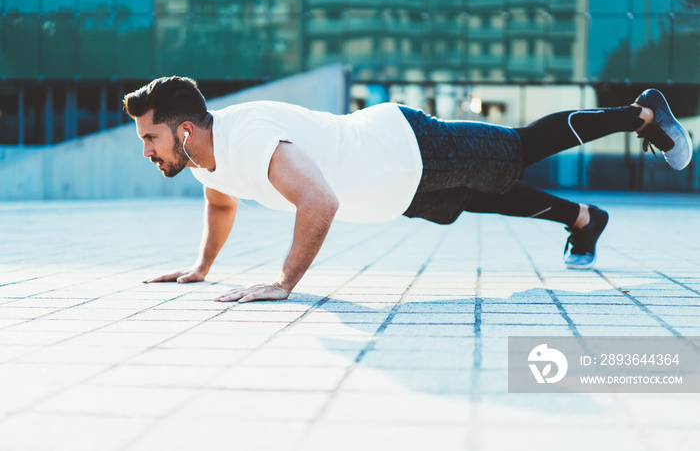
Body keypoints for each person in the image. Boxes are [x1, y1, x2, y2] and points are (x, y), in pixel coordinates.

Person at [123, 77, 692, 303]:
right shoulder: (201, 158)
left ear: (184, 129)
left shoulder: (248, 137)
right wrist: (201, 267)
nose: (147, 150)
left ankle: (642, 114)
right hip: (396, 192)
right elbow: (221, 200)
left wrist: (283, 283)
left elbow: (319, 202)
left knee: (517, 148)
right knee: (479, 195)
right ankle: (582, 220)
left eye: (150, 137)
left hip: (404, 146)